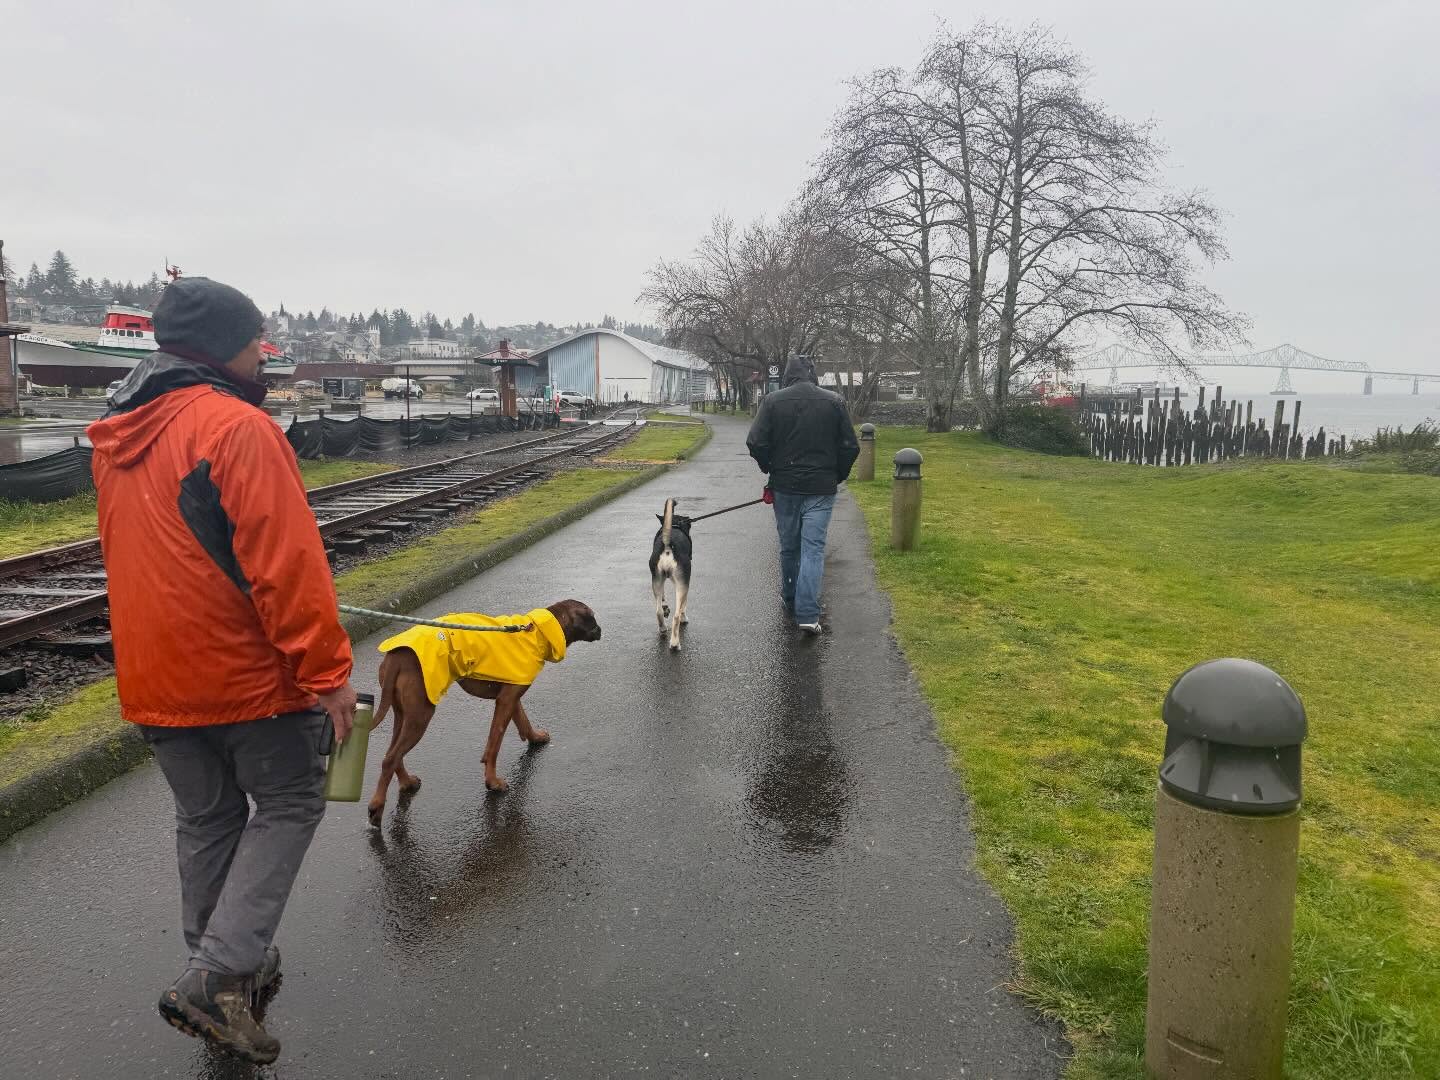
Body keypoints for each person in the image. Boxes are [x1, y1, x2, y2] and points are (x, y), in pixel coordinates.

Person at [87, 277, 357, 1065]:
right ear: (218, 349)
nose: (261, 353)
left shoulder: (115, 433)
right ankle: (218, 976)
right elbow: (285, 567)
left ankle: (222, 965)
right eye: (253, 340)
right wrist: (328, 673)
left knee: (207, 819)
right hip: (246, 677)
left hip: (156, 676)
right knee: (290, 799)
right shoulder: (236, 429)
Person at [745, 356, 860, 633]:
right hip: (820, 487)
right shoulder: (833, 402)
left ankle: (790, 598)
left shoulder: (772, 402)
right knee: (813, 549)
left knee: (789, 546)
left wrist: (769, 467)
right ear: (812, 375)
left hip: (785, 486)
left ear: (788, 376)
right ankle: (808, 614)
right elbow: (849, 446)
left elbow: (755, 441)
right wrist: (836, 475)